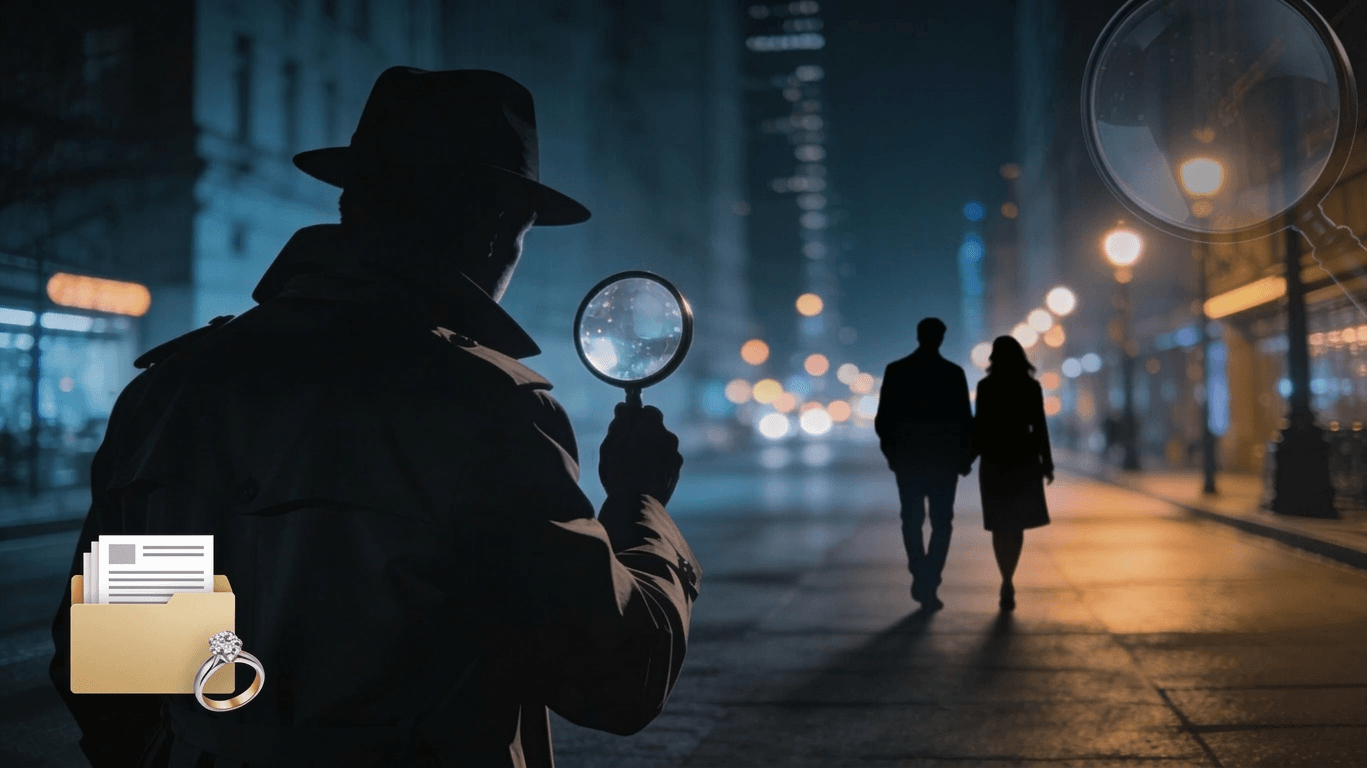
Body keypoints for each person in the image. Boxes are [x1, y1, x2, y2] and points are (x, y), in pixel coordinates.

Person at [50, 67, 701, 768]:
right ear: (498, 229)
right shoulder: (481, 405)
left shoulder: (178, 389)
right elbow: (615, 678)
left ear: (352, 203)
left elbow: (118, 678)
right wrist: (638, 503)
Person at [874, 317, 974, 610]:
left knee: (912, 520)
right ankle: (930, 578)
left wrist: (893, 456)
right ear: (941, 338)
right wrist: (964, 458)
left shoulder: (897, 371)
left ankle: (921, 572)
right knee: (943, 523)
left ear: (918, 336)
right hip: (943, 463)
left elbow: (884, 421)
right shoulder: (953, 374)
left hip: (909, 462)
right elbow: (965, 422)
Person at [971, 335, 1054, 611]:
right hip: (1023, 459)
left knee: (999, 523)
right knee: (1016, 524)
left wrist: (966, 459)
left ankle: (1004, 577)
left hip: (994, 460)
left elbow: (979, 427)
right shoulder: (1030, 387)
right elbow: (1040, 426)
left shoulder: (985, 386)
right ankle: (1009, 579)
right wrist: (1047, 462)